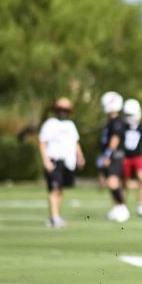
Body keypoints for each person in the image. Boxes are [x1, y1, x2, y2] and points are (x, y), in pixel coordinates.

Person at [39, 97, 84, 228]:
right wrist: (45, 160)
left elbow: (75, 143)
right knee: (54, 189)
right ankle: (54, 217)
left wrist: (80, 156)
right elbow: (42, 142)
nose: (63, 112)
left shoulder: (70, 125)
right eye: (61, 109)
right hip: (54, 160)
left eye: (65, 110)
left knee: (60, 189)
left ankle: (55, 215)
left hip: (68, 162)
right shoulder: (50, 124)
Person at [98, 91, 130, 222]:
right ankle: (117, 207)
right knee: (111, 182)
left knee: (112, 182)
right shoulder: (110, 121)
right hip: (111, 155)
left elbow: (115, 140)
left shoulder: (117, 122)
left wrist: (107, 155)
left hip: (115, 156)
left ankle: (122, 207)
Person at [120, 99, 142, 217]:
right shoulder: (121, 126)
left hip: (138, 157)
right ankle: (122, 206)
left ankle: (141, 205)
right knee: (124, 183)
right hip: (125, 157)